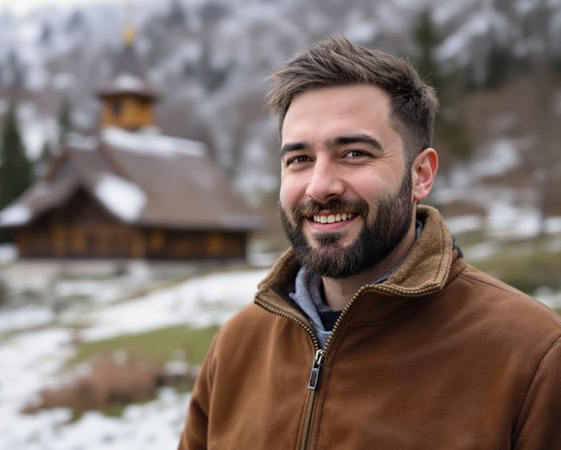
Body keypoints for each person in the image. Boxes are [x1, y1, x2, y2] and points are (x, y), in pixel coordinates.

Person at [178, 37, 561, 450]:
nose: (320, 186)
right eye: (300, 160)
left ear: (421, 175)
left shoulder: (533, 355)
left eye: (354, 153)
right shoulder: (236, 346)